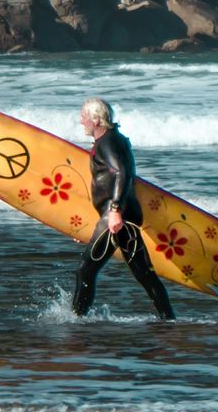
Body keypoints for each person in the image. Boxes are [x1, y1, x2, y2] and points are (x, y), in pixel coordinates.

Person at [70, 97, 174, 321]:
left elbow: (121, 173)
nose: (81, 121)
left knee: (85, 271)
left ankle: (76, 321)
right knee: (144, 274)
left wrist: (115, 210)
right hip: (119, 217)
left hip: (115, 217)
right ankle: (168, 320)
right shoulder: (114, 139)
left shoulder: (106, 142)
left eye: (84, 116)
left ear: (96, 119)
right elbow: (113, 179)